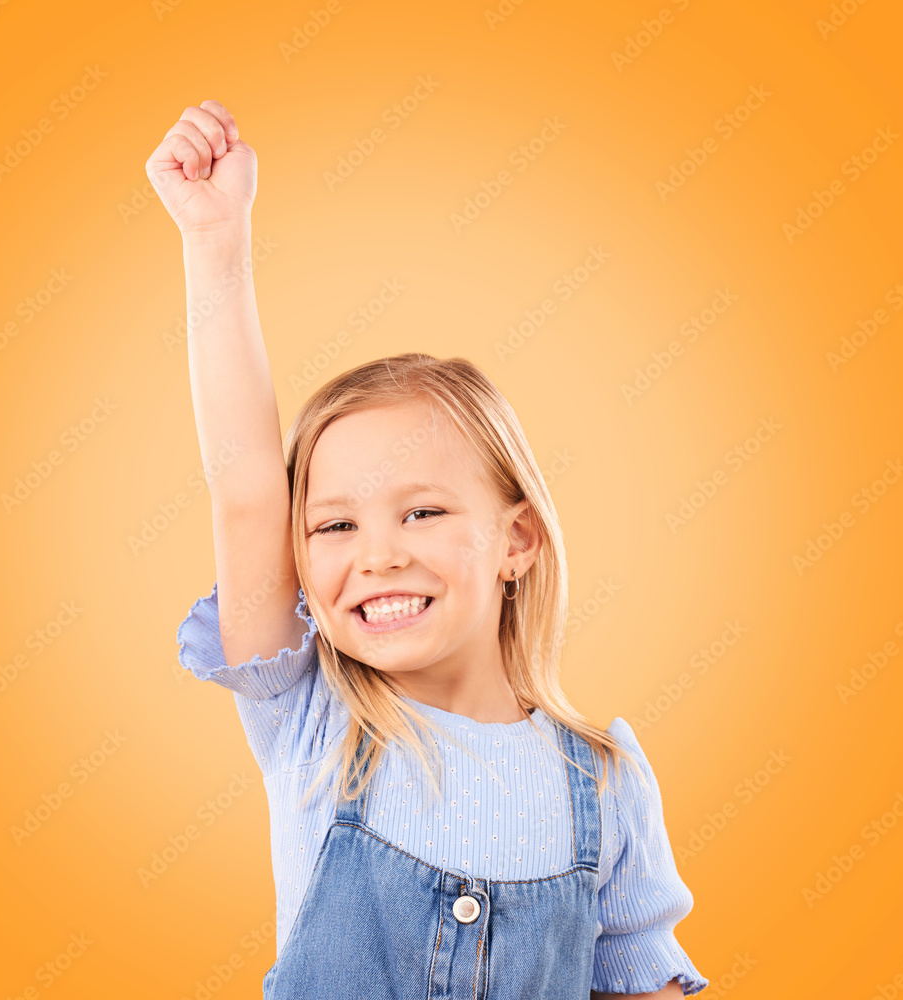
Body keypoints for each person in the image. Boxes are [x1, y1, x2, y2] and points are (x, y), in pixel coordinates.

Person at [146, 100, 708, 999]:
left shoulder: (603, 783)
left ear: (516, 540)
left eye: (422, 513)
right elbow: (247, 487)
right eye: (334, 525)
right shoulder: (310, 722)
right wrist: (214, 240)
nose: (376, 557)